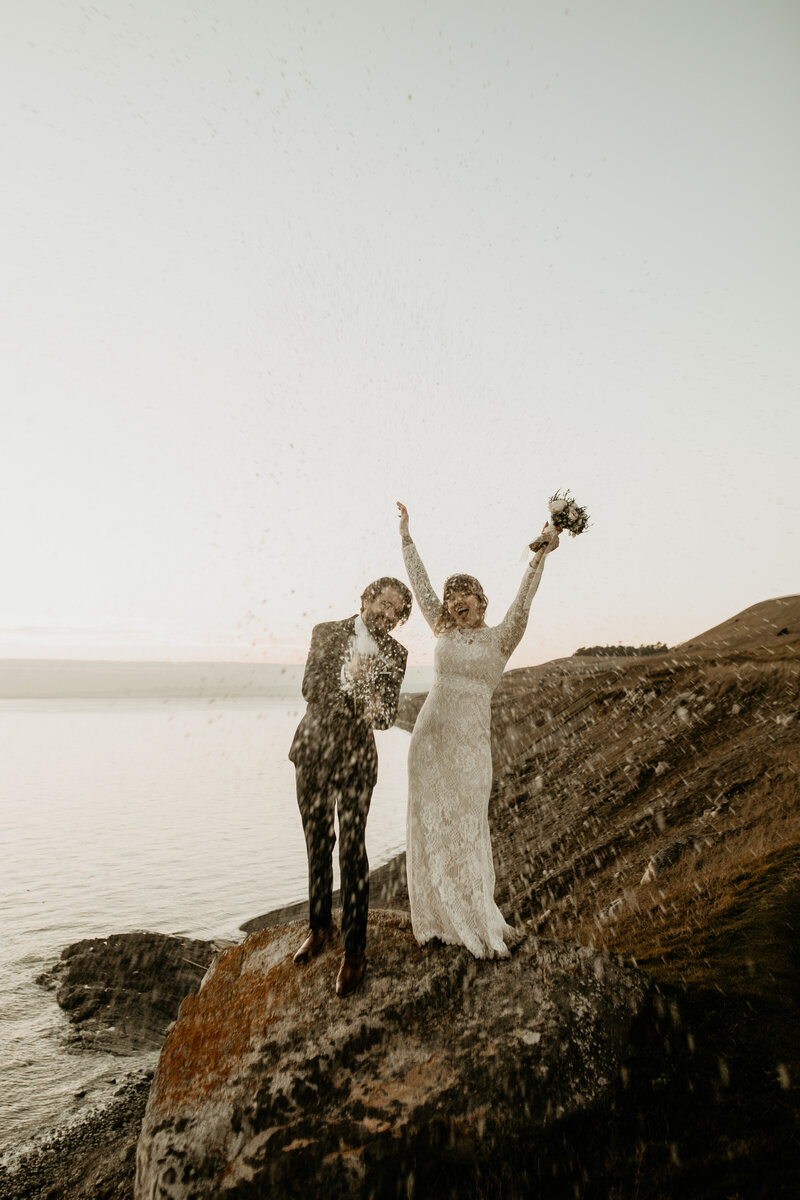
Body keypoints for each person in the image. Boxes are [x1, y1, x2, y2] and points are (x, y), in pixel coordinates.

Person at [397, 501, 558, 958]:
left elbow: (524, 599)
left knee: (466, 824)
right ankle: (435, 918)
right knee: (429, 823)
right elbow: (420, 584)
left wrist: (539, 556)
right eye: (450, 597)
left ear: (482, 601)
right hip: (430, 736)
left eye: (462, 595)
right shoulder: (442, 629)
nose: (452, 602)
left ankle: (475, 914)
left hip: (470, 744)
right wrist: (407, 535)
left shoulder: (502, 637)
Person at [288, 577, 411, 996]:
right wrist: (353, 688)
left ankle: (354, 951)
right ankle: (320, 927)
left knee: (352, 849)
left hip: (358, 760)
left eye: (397, 610)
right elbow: (311, 687)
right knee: (318, 842)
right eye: (384, 602)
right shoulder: (326, 632)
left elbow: (386, 715)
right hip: (314, 751)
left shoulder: (396, 653)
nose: (388, 612)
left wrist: (370, 703)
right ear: (366, 600)